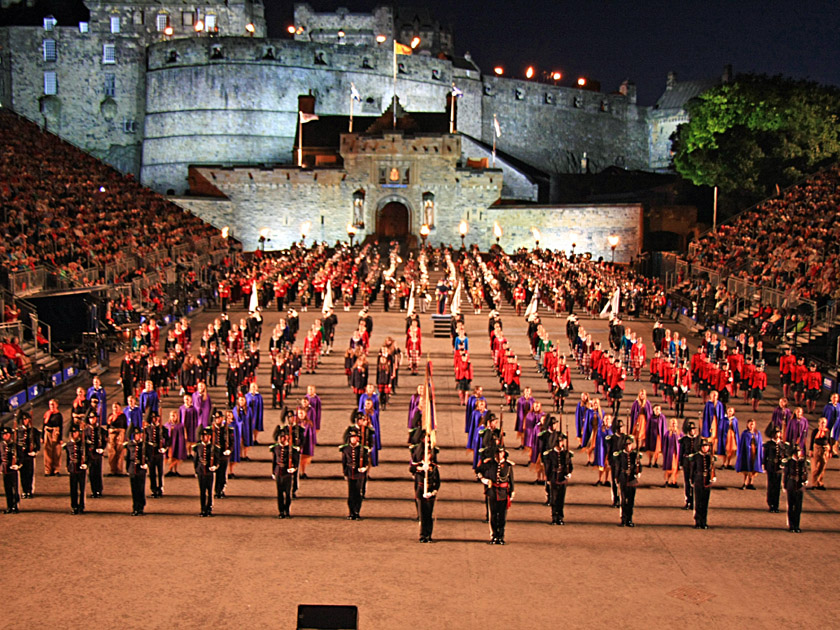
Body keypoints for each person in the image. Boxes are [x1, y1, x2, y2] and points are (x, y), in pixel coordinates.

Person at [410, 439, 441, 542]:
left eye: (429, 455)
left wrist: (434, 492)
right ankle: (422, 535)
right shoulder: (418, 466)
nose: (428, 456)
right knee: (423, 515)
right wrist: (421, 468)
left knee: (429, 515)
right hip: (421, 493)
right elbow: (412, 469)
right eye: (426, 455)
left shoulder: (434, 468)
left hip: (430, 493)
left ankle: (429, 535)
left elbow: (437, 482)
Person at [270, 426, 300, 519]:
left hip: (287, 473)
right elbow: (274, 461)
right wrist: (273, 472)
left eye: (285, 437)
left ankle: (287, 510)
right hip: (279, 471)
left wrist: (293, 468)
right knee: (279, 493)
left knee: (287, 493)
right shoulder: (276, 448)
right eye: (281, 437)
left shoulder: (293, 449)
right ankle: (281, 511)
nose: (283, 439)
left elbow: (296, 462)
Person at [544, 432, 573, 525]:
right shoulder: (550, 454)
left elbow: (569, 465)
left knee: (561, 498)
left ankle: (560, 517)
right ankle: (554, 516)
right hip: (554, 477)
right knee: (554, 498)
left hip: (562, 478)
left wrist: (569, 473)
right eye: (559, 442)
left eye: (562, 441)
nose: (561, 443)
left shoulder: (566, 453)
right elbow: (548, 466)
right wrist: (548, 478)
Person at [340, 428, 369, 520]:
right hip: (350, 472)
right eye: (352, 437)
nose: (353, 439)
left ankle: (357, 511)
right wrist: (345, 473)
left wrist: (364, 468)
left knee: (358, 493)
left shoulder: (362, 449)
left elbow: (366, 461)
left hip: (359, 473)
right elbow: (344, 462)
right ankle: (351, 512)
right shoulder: (346, 449)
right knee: (351, 493)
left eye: (355, 437)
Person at [63, 425, 90, 515]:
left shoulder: (83, 444)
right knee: (73, 489)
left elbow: (88, 456)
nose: (74, 434)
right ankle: (74, 506)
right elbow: (68, 457)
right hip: (73, 468)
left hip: (81, 468)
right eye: (72, 433)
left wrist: (86, 464)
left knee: (82, 489)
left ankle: (81, 506)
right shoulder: (69, 445)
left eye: (75, 432)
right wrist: (68, 467)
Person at [689, 438, 715, 529]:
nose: (705, 448)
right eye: (704, 447)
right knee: (698, 501)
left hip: (707, 480)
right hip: (698, 480)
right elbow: (693, 469)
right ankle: (697, 521)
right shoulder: (696, 457)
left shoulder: (709, 457)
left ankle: (704, 521)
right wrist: (691, 480)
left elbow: (712, 468)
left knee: (705, 502)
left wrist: (712, 477)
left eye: (706, 446)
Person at [617, 436, 641, 527]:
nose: (628, 447)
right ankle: (623, 519)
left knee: (631, 500)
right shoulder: (621, 455)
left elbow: (639, 465)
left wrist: (638, 472)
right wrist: (617, 478)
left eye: (630, 445)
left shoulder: (635, 455)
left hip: (632, 479)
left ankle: (629, 519)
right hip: (623, 478)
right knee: (623, 500)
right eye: (627, 445)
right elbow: (618, 467)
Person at [193, 427, 218, 517]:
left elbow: (217, 460)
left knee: (210, 491)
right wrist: (196, 471)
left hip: (209, 472)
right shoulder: (198, 447)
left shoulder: (213, 448)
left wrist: (215, 466)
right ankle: (203, 509)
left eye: (206, 436)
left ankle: (209, 508)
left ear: (210, 437)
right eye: (203, 436)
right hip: (201, 472)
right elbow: (195, 460)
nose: (204, 438)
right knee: (202, 491)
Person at [15, 411, 40, 499]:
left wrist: (35, 451)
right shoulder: (18, 431)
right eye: (24, 419)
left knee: (29, 473)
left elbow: (37, 444)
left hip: (29, 455)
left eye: (27, 419)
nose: (25, 421)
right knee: (22, 474)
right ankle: (24, 490)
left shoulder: (34, 431)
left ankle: (29, 490)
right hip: (21, 455)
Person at [783, 446, 809, 533]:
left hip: (799, 486)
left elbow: (805, 472)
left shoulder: (802, 462)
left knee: (798, 507)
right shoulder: (789, 462)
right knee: (791, 506)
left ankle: (797, 525)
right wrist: (785, 485)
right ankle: (791, 525)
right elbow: (786, 474)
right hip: (791, 484)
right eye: (798, 451)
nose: (799, 453)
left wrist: (805, 480)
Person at [125, 426, 148, 516]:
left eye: (139, 434)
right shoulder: (130, 445)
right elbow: (127, 458)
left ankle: (141, 507)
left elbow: (148, 456)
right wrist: (127, 469)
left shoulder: (144, 445)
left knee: (141, 488)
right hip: (132, 468)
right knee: (134, 489)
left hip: (141, 469)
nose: (138, 436)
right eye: (136, 435)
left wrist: (146, 464)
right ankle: (135, 507)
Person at [735, 419, 764, 490]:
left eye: (753, 424)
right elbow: (742, 444)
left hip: (754, 452)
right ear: (747, 425)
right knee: (747, 467)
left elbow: (759, 443)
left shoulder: (757, 433)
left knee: (753, 467)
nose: (751, 426)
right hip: (747, 453)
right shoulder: (745, 434)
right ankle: (745, 482)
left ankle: (751, 483)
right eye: (750, 424)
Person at [85, 410, 108, 499]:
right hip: (90, 454)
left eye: (93, 418)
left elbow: (104, 441)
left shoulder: (101, 430)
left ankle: (99, 490)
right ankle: (94, 490)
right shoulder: (86, 431)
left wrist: (102, 448)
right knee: (91, 473)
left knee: (98, 472)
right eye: (90, 418)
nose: (92, 420)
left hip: (98, 454)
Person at [762, 427, 785, 513]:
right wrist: (764, 465)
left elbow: (785, 456)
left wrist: (784, 464)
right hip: (771, 467)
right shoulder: (769, 444)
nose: (778, 435)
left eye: (779, 433)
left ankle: (776, 505)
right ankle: (771, 504)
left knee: (777, 487)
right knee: (771, 486)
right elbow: (765, 456)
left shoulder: (782, 445)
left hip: (778, 468)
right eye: (776, 433)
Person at [1, 426, 21, 513]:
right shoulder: (1, 446)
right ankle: (9, 506)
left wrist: (18, 465)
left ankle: (15, 506)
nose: (5, 436)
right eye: (3, 434)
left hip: (13, 470)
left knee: (14, 489)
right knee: (7, 489)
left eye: (7, 434)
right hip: (5, 469)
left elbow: (21, 457)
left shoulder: (15, 446)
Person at [42, 399, 63, 476]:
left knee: (56, 452)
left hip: (56, 433)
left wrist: (60, 438)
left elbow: (61, 426)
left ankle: (56, 469)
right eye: (50, 404)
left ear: (56, 405)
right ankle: (48, 470)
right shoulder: (47, 414)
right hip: (47, 433)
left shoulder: (58, 415)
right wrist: (42, 436)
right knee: (47, 452)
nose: (51, 406)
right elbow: (43, 425)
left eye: (53, 404)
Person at [809, 417, 831, 490]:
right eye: (821, 422)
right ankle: (814, 483)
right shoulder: (815, 431)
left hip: (824, 450)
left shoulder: (827, 431)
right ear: (818, 423)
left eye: (824, 422)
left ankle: (819, 482)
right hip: (816, 448)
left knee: (822, 467)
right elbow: (812, 440)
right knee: (815, 467)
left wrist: (830, 451)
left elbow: (829, 441)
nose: (823, 424)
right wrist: (810, 450)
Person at [106, 402, 127, 476]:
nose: (115, 408)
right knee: (111, 452)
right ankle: (113, 470)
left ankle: (119, 470)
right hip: (111, 436)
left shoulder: (122, 416)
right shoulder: (110, 416)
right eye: (114, 407)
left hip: (120, 435)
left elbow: (125, 426)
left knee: (119, 452)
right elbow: (108, 426)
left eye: (116, 407)